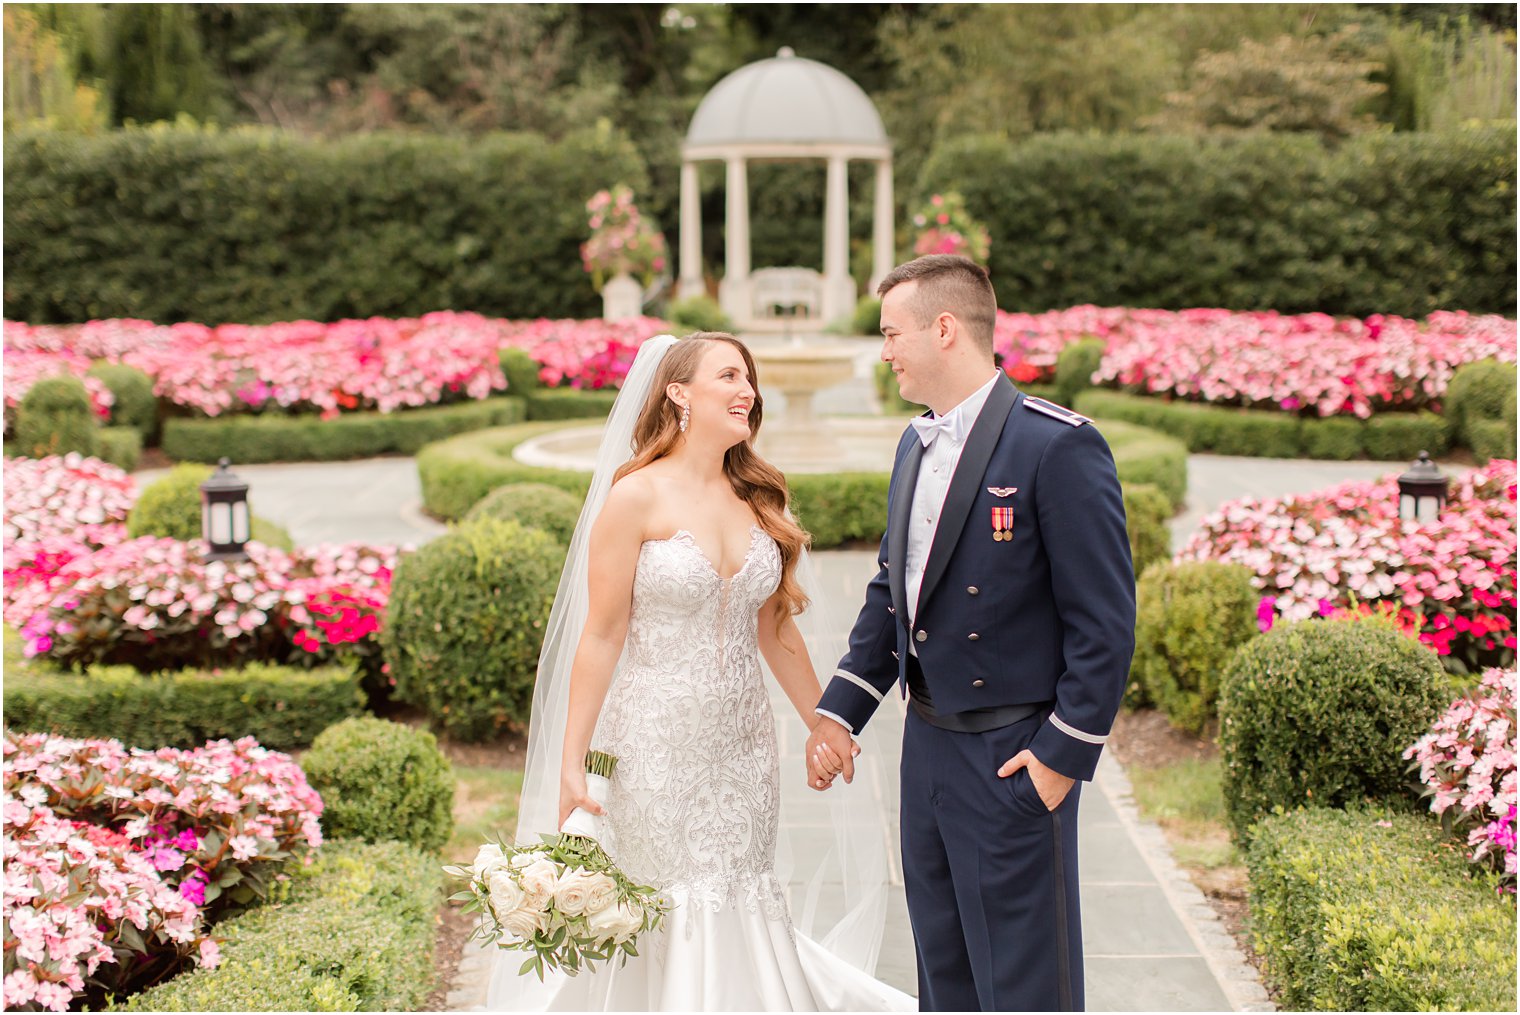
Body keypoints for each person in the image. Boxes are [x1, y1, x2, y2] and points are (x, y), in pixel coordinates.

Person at [489, 332, 913, 1012]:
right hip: (654, 743)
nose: (747, 389)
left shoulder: (758, 495)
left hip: (743, 746)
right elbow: (600, 633)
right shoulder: (635, 497)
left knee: (740, 881)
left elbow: (776, 628)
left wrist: (822, 722)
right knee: (667, 895)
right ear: (678, 391)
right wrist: (574, 758)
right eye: (728, 375)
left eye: (749, 377)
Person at [806, 255, 1136, 1012]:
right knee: (944, 974)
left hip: (1011, 753)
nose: (883, 349)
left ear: (944, 329)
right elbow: (894, 595)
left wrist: (1061, 756)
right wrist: (840, 708)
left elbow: (1105, 618)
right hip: (926, 747)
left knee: (1023, 987)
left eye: (892, 332)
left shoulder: (1057, 445)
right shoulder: (913, 443)